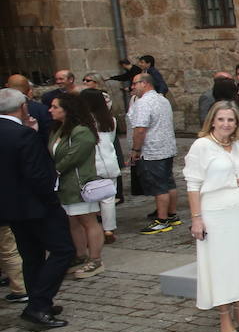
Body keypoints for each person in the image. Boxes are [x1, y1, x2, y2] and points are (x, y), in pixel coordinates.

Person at [185, 102, 239, 332]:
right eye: (221, 119)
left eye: (231, 120)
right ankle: (224, 316)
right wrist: (196, 219)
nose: (226, 124)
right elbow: (193, 184)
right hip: (215, 211)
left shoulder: (236, 146)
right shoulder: (201, 146)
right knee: (221, 265)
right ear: (212, 121)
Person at [0, 88, 72, 328]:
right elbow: (37, 174)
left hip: (11, 207)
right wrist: (52, 201)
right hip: (37, 206)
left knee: (31, 255)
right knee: (63, 251)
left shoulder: (19, 133)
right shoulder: (22, 135)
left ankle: (38, 302)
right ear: (22, 107)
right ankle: (39, 305)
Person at [47, 93, 104, 279]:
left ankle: (95, 259)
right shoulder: (59, 129)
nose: (51, 110)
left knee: (88, 221)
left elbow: (73, 157)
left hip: (78, 183)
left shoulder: (81, 131)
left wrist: (54, 170)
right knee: (72, 222)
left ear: (67, 109)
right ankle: (80, 255)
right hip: (63, 184)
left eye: (55, 107)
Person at [128, 73, 180, 234]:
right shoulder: (162, 99)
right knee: (168, 182)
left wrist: (136, 149)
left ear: (144, 83)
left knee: (159, 186)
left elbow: (140, 128)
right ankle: (172, 214)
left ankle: (162, 219)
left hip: (152, 150)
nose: (133, 87)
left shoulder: (143, 103)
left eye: (135, 83)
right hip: (167, 147)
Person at [78, 87, 120, 245]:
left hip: (90, 163)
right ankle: (109, 229)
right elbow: (111, 139)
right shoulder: (110, 120)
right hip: (108, 162)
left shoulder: (81, 122)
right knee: (108, 199)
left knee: (89, 198)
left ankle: (92, 229)